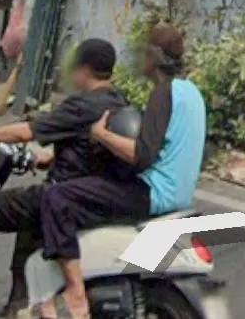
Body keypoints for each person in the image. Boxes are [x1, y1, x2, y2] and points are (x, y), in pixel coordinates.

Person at [0, 38, 129, 319]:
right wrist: (49, 158)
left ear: (84, 69)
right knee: (27, 221)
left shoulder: (82, 105)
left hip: (64, 195)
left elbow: (27, 131)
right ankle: (20, 303)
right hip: (92, 195)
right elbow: (88, 147)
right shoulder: (118, 101)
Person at [35, 23, 206, 319]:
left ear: (153, 58)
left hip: (152, 193)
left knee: (57, 197)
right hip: (179, 194)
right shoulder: (191, 92)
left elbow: (142, 155)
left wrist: (101, 135)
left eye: (143, 53)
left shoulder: (163, 93)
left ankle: (75, 293)